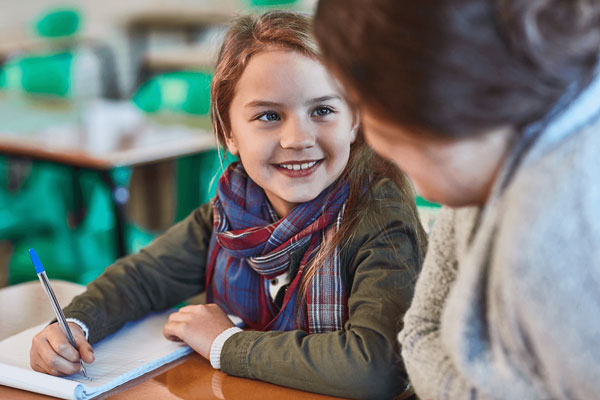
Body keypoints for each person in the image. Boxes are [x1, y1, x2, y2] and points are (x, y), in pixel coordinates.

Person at [29, 11, 426, 399]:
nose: (297, 138)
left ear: (354, 121)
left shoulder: (378, 219)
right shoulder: (231, 212)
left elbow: (376, 369)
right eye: (269, 116)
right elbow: (143, 278)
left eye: (322, 111)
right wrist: (75, 324)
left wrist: (225, 344)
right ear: (229, 132)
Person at [314, 0, 600, 399]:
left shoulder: (555, 231)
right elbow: (419, 329)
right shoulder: (487, 172)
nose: (370, 138)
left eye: (363, 104)